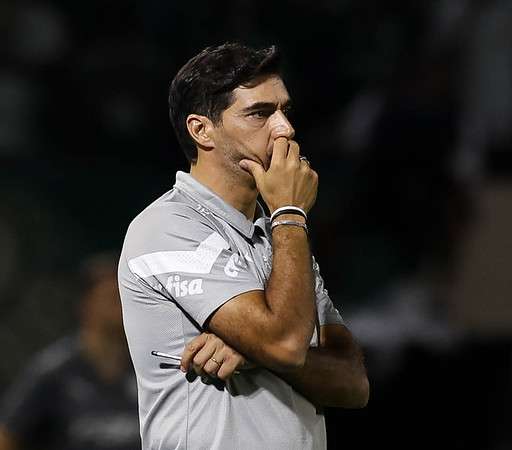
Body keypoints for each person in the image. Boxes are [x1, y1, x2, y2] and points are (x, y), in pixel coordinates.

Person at [117, 43, 369, 449]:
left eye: (285, 111)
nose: (284, 129)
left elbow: (352, 383)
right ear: (201, 130)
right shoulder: (166, 227)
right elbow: (287, 344)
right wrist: (289, 211)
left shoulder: (279, 236)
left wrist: (253, 351)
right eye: (260, 113)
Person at [0, 252, 140, 450]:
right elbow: (7, 435)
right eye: (112, 299)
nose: (122, 307)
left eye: (126, 298)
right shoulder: (53, 371)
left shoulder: (144, 368)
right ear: (86, 304)